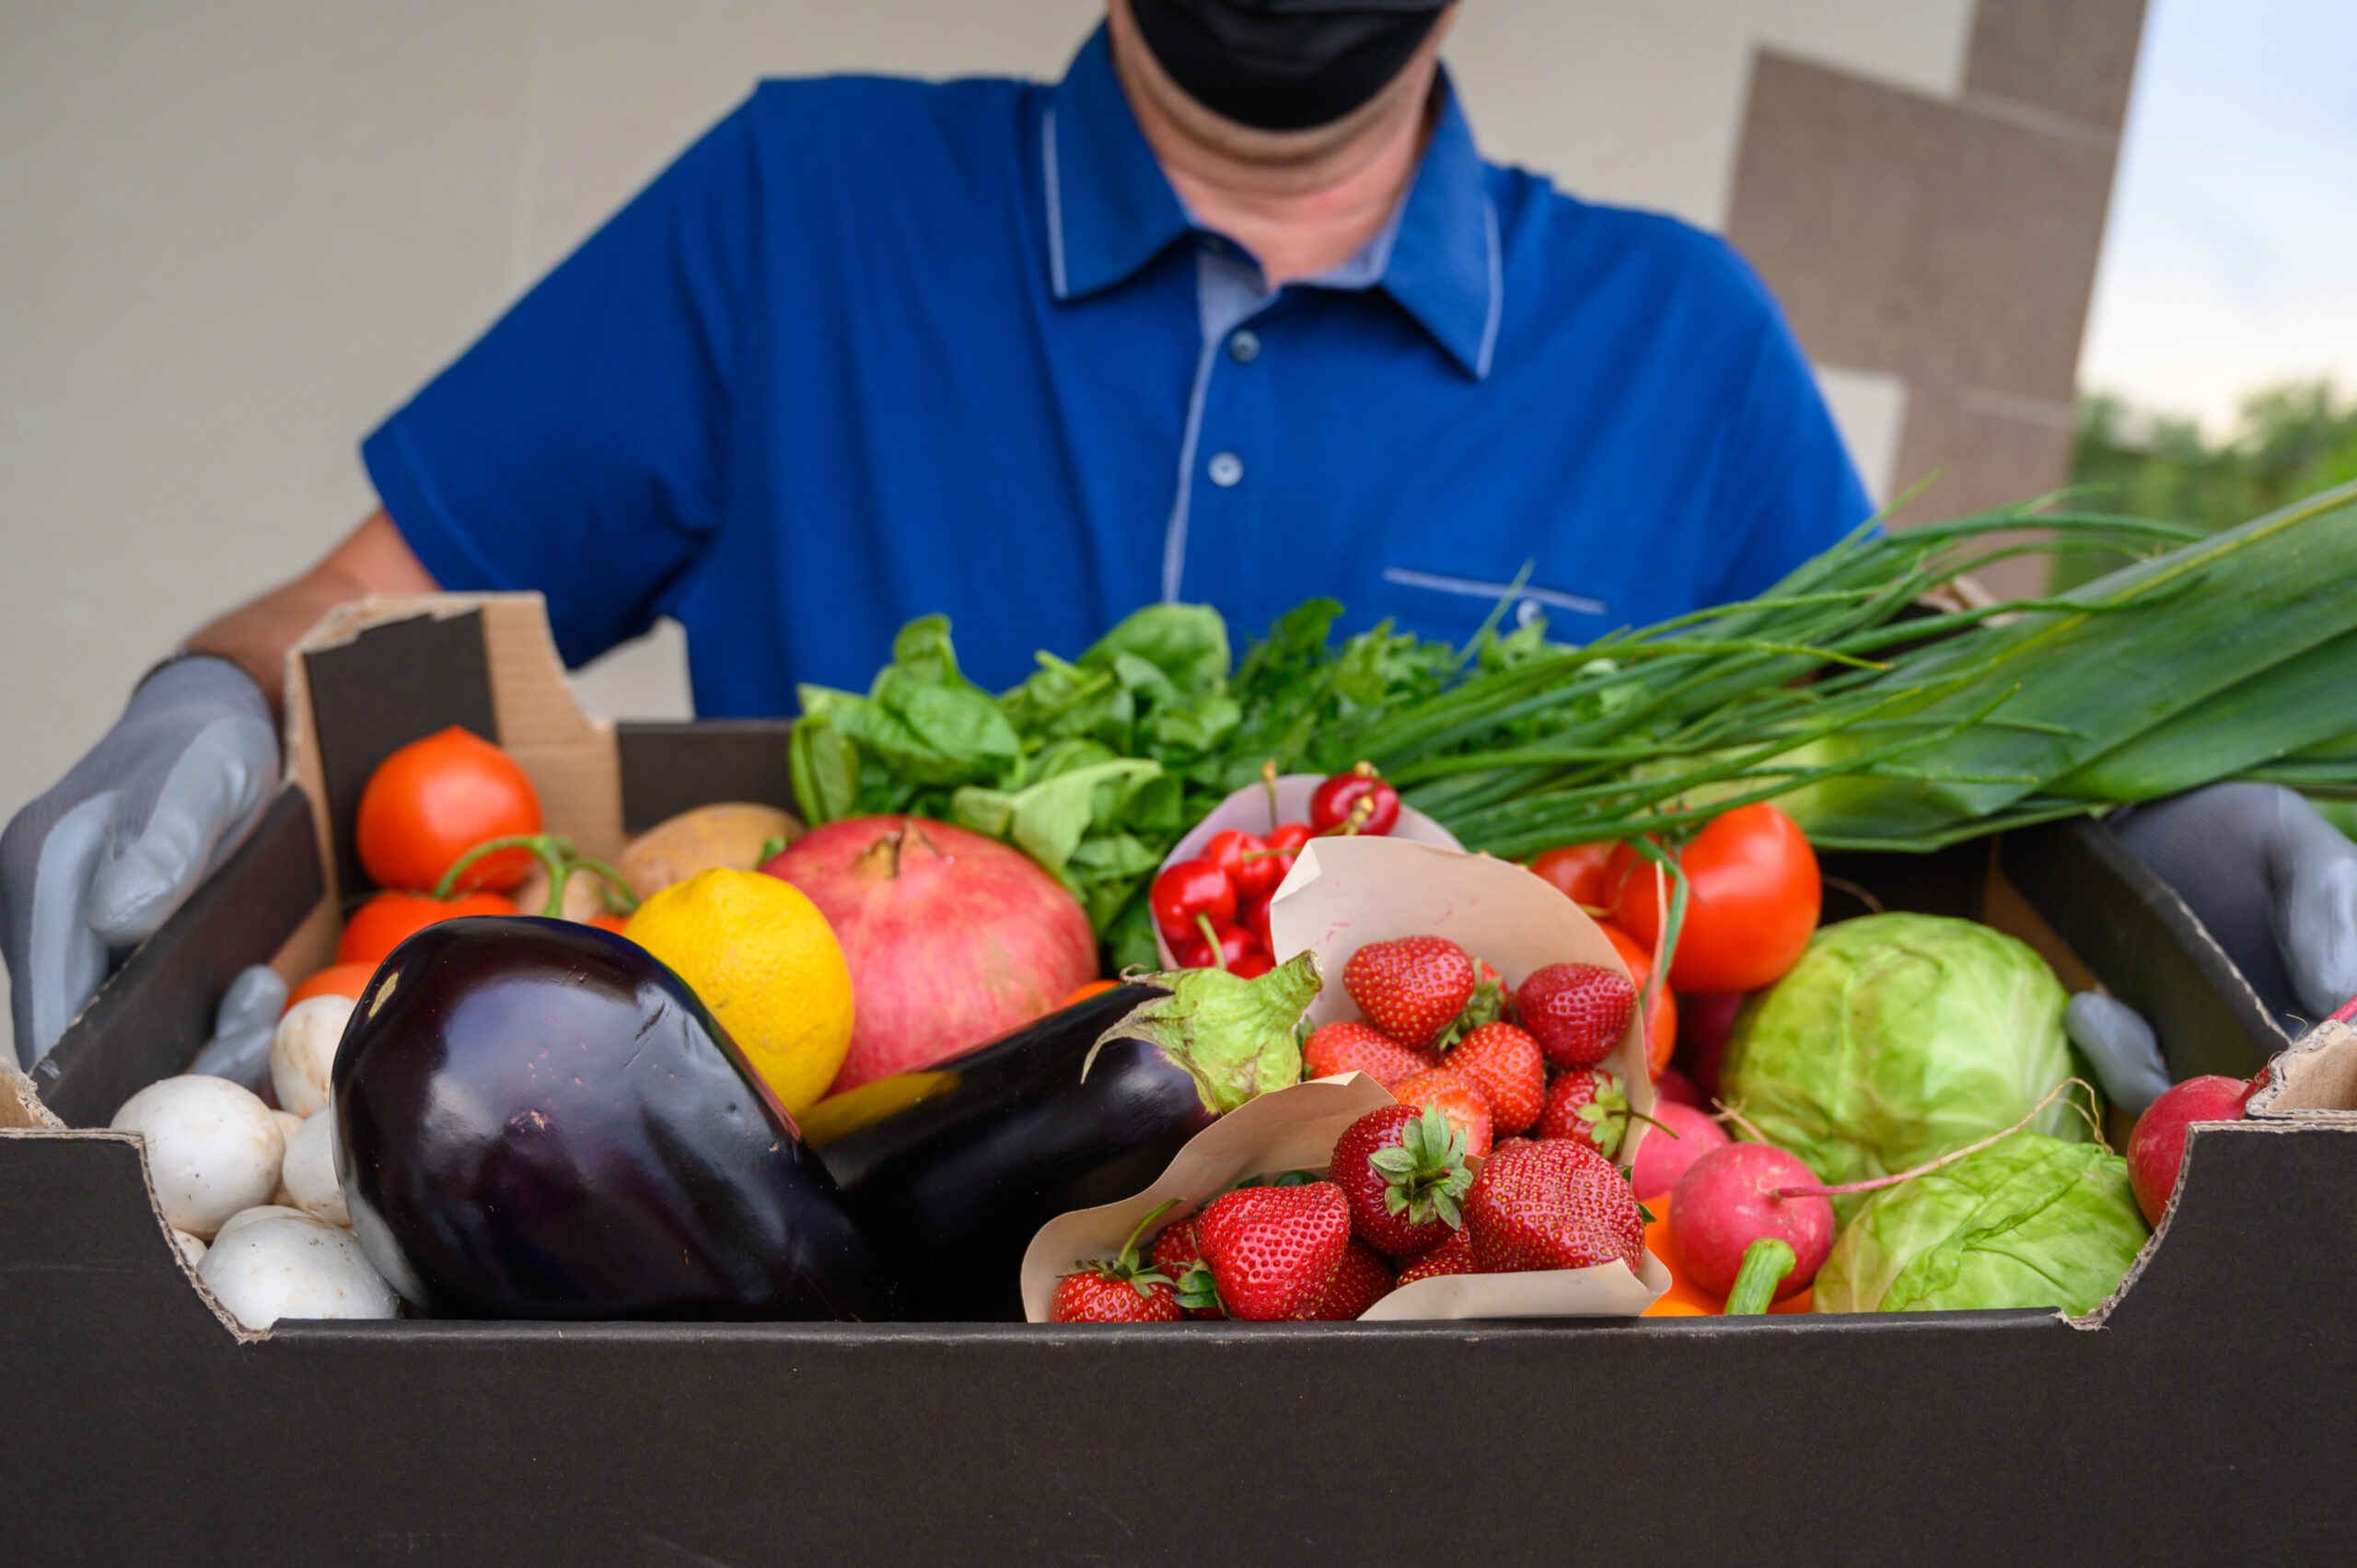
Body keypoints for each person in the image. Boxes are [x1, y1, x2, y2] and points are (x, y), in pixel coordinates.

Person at [7, 0, 2343, 1072]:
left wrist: (2165, 797)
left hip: (1469, 1387)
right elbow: (363, 602)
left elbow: (1931, 750)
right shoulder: (791, 202)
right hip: (831, 1353)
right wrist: (216, 710)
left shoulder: (1677, 339)